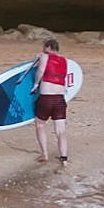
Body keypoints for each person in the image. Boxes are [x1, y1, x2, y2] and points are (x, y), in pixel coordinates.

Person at [30, 38, 70, 167]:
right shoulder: (65, 60)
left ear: (48, 47)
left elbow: (40, 71)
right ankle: (64, 158)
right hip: (60, 99)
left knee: (40, 125)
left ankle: (45, 154)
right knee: (60, 131)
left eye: (44, 47)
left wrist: (36, 84)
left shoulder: (44, 56)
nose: (42, 49)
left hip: (46, 98)